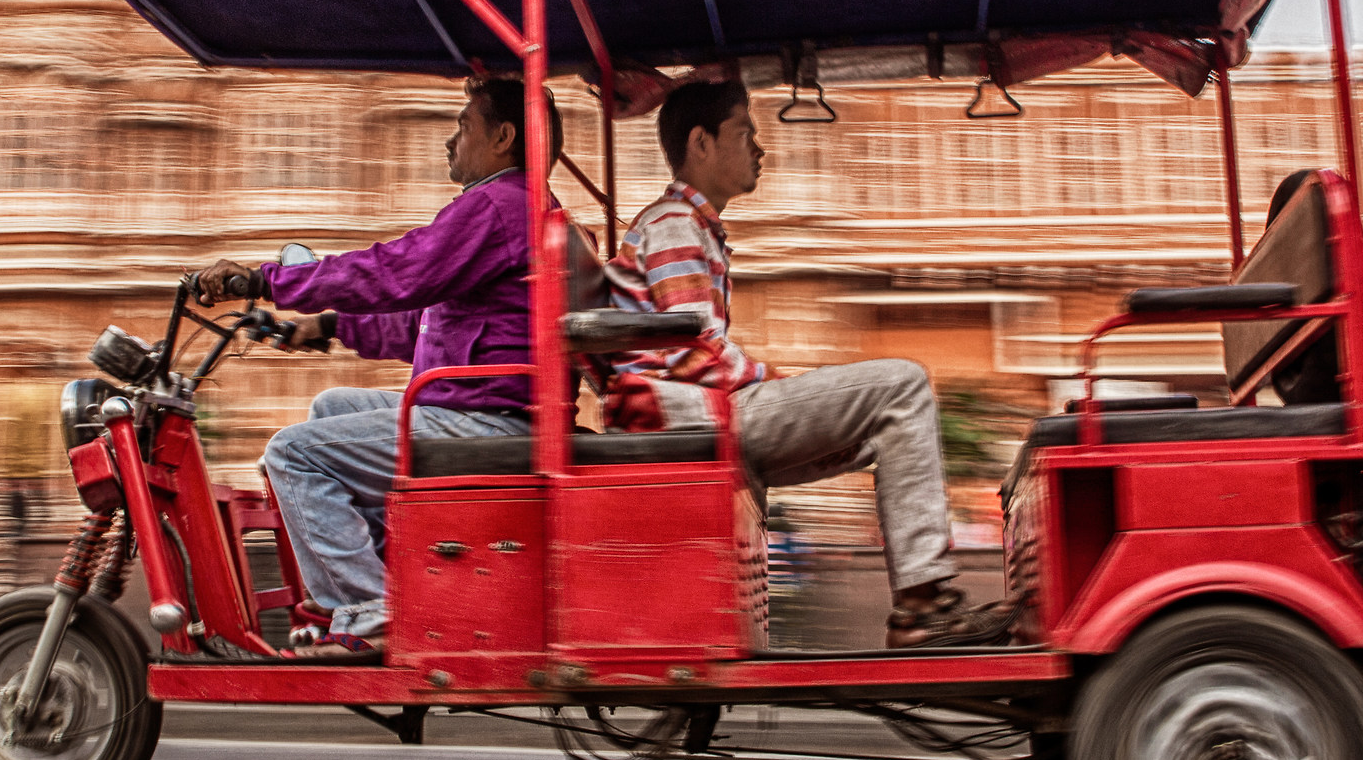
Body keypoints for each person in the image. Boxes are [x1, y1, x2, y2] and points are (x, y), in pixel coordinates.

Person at [603, 79, 1008, 648]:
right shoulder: (674, 225)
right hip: (688, 414)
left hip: (692, 411)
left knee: (885, 430)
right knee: (904, 384)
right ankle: (920, 605)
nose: (760, 150)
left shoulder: (691, 226)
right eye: (745, 134)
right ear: (701, 143)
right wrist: (786, 386)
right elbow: (695, 355)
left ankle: (923, 600)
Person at [192, 78, 561, 659]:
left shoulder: (496, 206)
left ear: (504, 137)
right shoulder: (518, 207)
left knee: (293, 452)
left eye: (464, 126)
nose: (450, 141)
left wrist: (268, 280)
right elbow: (423, 323)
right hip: (483, 400)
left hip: (487, 417)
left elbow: (395, 273)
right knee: (330, 407)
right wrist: (330, 327)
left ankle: (370, 613)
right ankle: (401, 578)